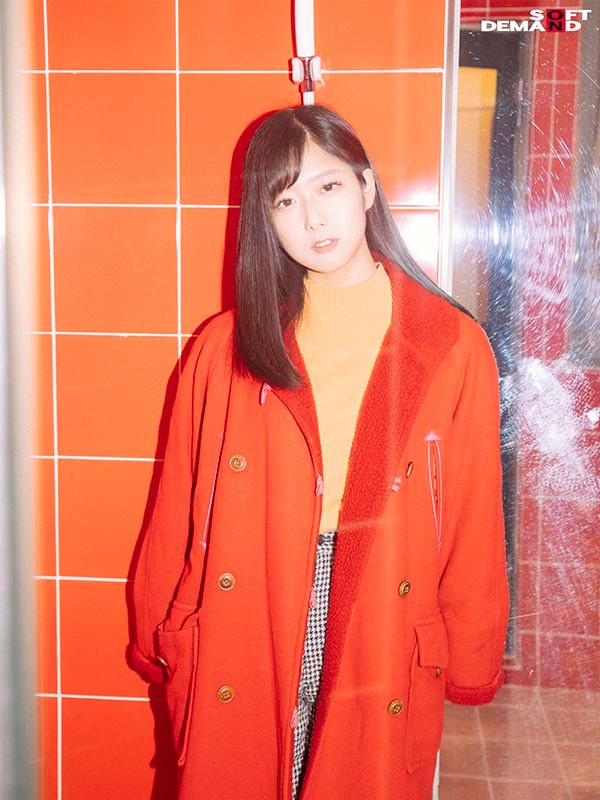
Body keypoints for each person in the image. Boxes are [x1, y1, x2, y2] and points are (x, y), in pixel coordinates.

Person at [129, 103, 510, 800]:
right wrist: (160, 618)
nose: (312, 218)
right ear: (266, 222)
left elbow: (473, 517)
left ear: (366, 187)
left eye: (328, 186)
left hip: (380, 595)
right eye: (285, 201)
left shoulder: (452, 344)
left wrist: (474, 649)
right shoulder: (225, 346)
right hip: (256, 591)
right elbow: (178, 505)